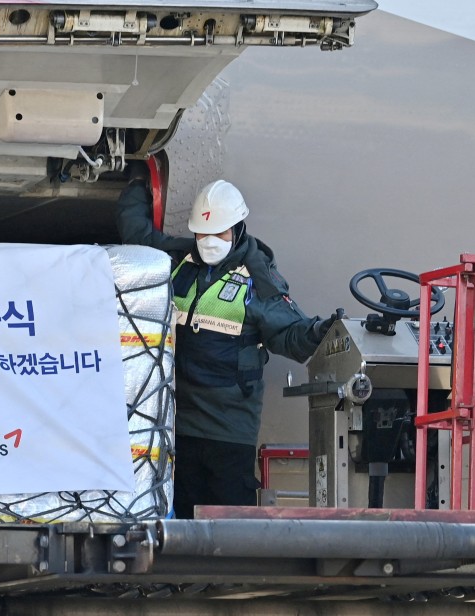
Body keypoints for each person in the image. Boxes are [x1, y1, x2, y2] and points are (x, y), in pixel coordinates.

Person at [116, 171, 340, 519]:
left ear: (237, 229)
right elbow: (138, 238)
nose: (208, 241)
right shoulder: (179, 262)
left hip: (229, 427)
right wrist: (137, 185)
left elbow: (289, 336)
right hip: (179, 422)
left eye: (217, 232)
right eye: (201, 232)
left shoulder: (258, 278)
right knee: (183, 513)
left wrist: (320, 331)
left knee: (229, 518)